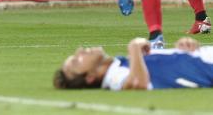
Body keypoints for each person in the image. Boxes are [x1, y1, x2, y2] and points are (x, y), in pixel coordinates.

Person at [54, 36, 213, 90]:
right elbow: (138, 83)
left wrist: (184, 48)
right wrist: (134, 47)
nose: (80, 51)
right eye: (76, 61)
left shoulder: (124, 64)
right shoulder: (115, 77)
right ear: (89, 77)